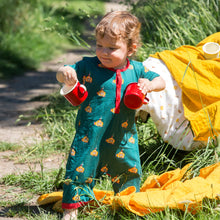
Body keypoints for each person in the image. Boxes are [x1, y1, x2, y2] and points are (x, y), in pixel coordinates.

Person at [58, 11, 166, 220]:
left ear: (131, 49)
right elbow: (62, 72)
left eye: (112, 48)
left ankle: (127, 205)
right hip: (90, 133)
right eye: (100, 45)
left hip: (124, 134)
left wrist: (149, 85)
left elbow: (161, 81)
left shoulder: (136, 69)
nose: (104, 52)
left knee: (129, 167)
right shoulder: (88, 66)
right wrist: (65, 74)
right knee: (79, 166)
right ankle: (71, 209)